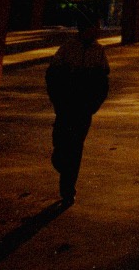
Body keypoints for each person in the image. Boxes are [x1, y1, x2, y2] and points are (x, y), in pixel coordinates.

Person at [46, 11, 111, 204]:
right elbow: (53, 77)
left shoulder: (99, 52)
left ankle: (68, 188)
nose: (99, 30)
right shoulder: (67, 49)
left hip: (83, 107)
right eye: (96, 26)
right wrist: (58, 100)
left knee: (75, 146)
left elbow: (103, 81)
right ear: (87, 28)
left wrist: (93, 104)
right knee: (61, 140)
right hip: (66, 105)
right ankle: (60, 162)